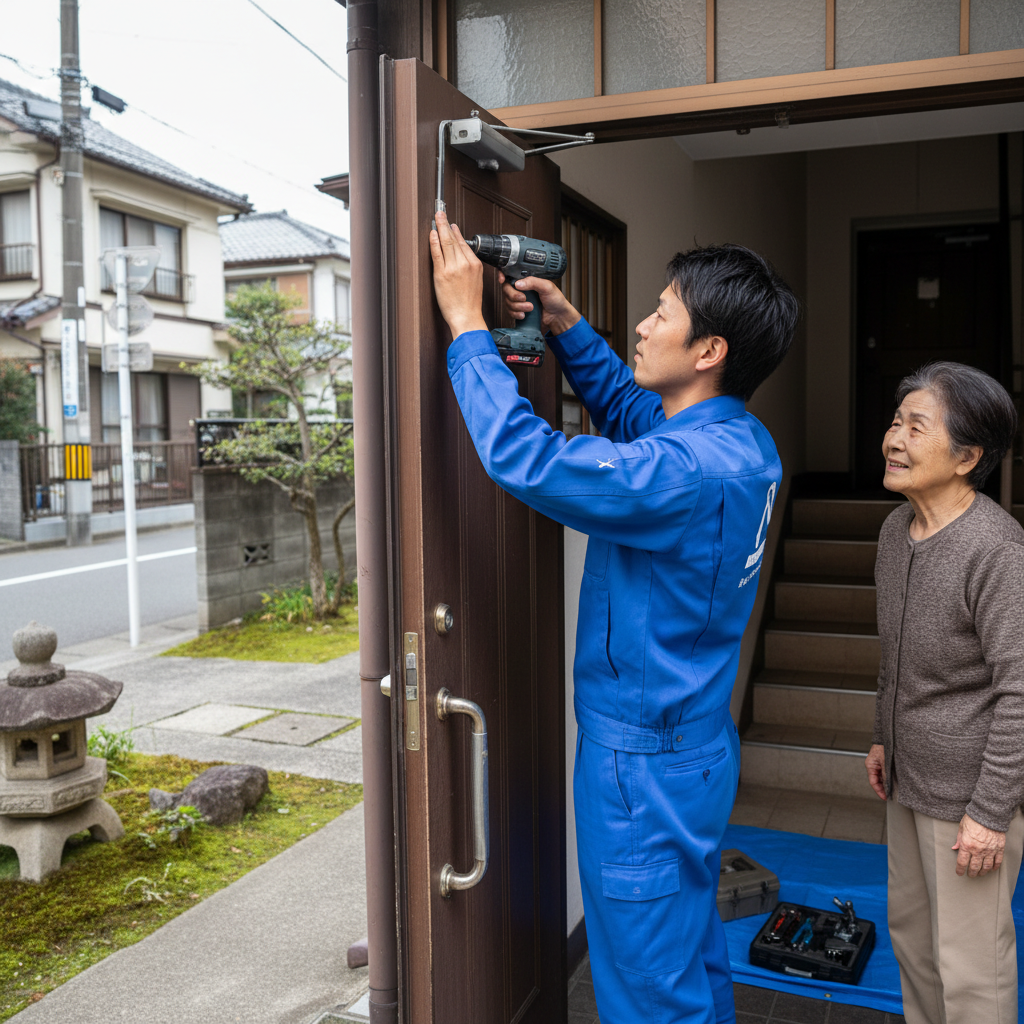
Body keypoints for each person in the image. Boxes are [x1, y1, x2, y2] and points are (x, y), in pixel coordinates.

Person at [429, 211, 797, 1024]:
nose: (642, 322)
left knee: (648, 996)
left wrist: (465, 327)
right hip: (694, 750)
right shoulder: (742, 443)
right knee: (688, 960)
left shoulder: (683, 474)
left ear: (709, 351)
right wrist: (566, 329)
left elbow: (528, 459)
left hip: (641, 774)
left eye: (662, 312)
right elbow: (638, 420)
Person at [864, 362, 1024, 1024]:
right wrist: (882, 735)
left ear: (967, 456)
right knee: (914, 946)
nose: (894, 438)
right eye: (896, 422)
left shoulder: (997, 549)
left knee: (972, 969)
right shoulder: (894, 533)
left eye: (916, 426)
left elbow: (1020, 689)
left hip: (969, 801)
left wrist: (990, 812)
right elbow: (892, 655)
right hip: (907, 780)